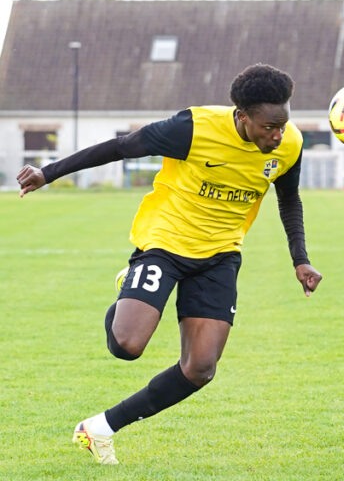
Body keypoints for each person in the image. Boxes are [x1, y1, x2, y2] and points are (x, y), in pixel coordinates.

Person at [15, 64, 323, 465]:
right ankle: (129, 289)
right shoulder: (193, 128)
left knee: (201, 368)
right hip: (165, 242)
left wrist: (300, 259)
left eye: (283, 124)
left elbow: (289, 199)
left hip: (220, 256)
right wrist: (48, 173)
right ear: (243, 117)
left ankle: (100, 428)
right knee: (127, 345)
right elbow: (120, 146)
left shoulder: (289, 144)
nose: (278, 134)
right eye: (269, 127)